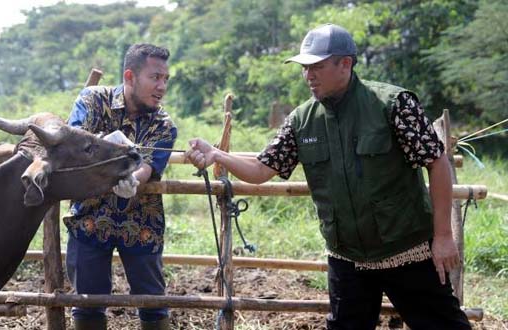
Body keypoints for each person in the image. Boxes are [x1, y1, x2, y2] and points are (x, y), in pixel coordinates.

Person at [186, 24, 471, 330]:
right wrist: (216, 154)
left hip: (408, 250)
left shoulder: (393, 104)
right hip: (347, 258)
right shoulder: (301, 120)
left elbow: (436, 162)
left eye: (317, 67)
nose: (309, 76)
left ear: (345, 64)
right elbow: (261, 169)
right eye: (305, 68)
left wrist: (442, 236)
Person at [64, 43, 177, 330]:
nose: (161, 86)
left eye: (165, 79)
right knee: (87, 306)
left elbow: (148, 167)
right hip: (89, 219)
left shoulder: (163, 124)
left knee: (153, 304)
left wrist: (131, 180)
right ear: (130, 76)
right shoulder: (92, 101)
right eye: (155, 77)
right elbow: (74, 144)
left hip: (141, 223)